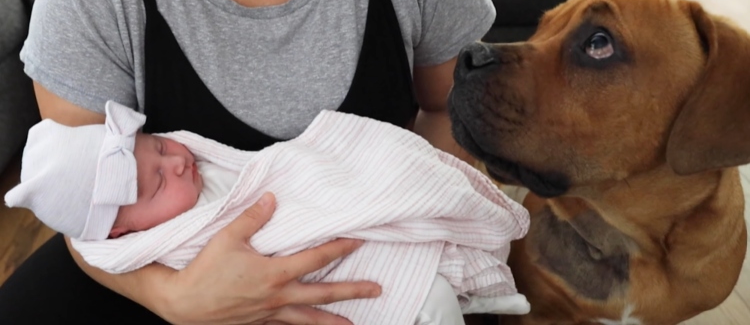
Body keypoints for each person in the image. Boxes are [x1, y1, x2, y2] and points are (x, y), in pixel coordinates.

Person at [0, 0, 496, 323]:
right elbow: (86, 213)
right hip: (172, 278)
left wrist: (405, 229)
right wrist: (179, 299)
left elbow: (451, 109)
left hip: (370, 251)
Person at [6, 100, 529, 325]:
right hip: (291, 277)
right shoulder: (166, 240)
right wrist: (179, 298)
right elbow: (88, 237)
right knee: (422, 294)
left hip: (335, 221)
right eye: (156, 179)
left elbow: (282, 176)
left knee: (423, 253)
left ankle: (485, 287)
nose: (176, 162)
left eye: (159, 145)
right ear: (125, 229)